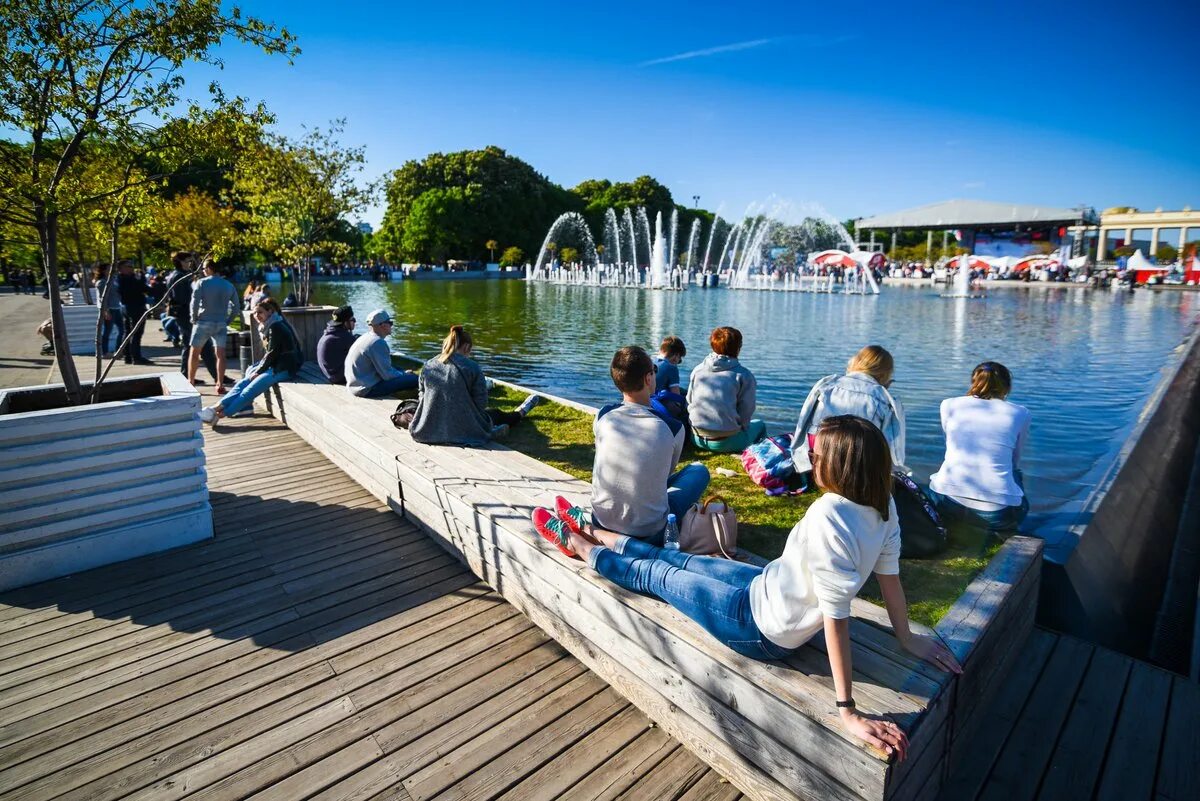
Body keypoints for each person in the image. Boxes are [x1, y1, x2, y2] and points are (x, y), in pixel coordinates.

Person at [532, 415, 961, 758]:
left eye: (815, 451)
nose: (809, 457)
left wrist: (847, 711)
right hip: (765, 586)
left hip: (759, 627)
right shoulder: (882, 502)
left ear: (839, 466)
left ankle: (575, 542)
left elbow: (837, 617)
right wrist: (906, 637)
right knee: (679, 559)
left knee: (657, 577)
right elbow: (891, 578)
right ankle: (596, 531)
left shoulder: (832, 516)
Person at [586, 346, 709, 545]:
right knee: (699, 471)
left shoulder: (602, 416)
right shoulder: (674, 428)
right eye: (654, 370)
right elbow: (665, 473)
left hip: (601, 521)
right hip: (649, 530)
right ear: (648, 378)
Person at [926, 362, 1030, 537]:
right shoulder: (1020, 413)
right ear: (1007, 387)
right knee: (1015, 473)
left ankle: (955, 521)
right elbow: (1015, 459)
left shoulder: (948, 404)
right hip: (997, 513)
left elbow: (950, 444)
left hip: (947, 501)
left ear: (973, 381)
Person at [409, 325, 541, 445]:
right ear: (466, 347)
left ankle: (520, 411)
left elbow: (422, 395)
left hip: (429, 428)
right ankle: (522, 411)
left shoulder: (428, 365)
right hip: (463, 428)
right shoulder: (472, 367)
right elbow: (480, 404)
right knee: (496, 414)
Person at [792, 345, 906, 474]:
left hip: (819, 458)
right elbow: (894, 451)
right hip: (855, 467)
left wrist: (799, 460)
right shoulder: (887, 400)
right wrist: (897, 474)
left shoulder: (826, 383)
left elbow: (803, 423)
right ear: (885, 374)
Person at [199, 298, 302, 426]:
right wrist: (257, 370)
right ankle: (215, 408)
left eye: (260, 312)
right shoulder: (270, 324)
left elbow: (272, 353)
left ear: (270, 311)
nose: (256, 316)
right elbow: (271, 354)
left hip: (284, 367)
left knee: (251, 388)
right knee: (244, 381)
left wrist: (259, 371)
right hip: (276, 364)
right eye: (254, 313)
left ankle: (221, 414)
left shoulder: (276, 327)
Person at [687, 326, 766, 452]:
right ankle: (757, 456)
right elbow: (747, 410)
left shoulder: (698, 370)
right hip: (726, 442)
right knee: (760, 425)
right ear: (738, 348)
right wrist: (742, 427)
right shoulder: (743, 375)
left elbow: (689, 401)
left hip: (697, 438)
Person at [166, 251, 219, 383]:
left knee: (189, 346)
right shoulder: (179, 277)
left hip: (185, 315)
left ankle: (186, 376)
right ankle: (218, 376)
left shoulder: (182, 275)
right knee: (204, 344)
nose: (191, 264)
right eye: (189, 261)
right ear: (181, 262)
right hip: (186, 316)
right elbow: (182, 298)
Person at [188, 258, 238, 391]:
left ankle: (191, 381)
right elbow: (236, 307)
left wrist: (193, 318)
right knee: (220, 355)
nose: (203, 271)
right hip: (220, 323)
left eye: (204, 268)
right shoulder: (228, 285)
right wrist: (228, 320)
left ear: (210, 268)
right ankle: (220, 383)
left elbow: (194, 303)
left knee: (194, 353)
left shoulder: (201, 283)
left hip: (203, 321)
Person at [344, 309, 419, 398]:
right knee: (416, 379)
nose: (391, 325)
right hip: (366, 389)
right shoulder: (377, 342)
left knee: (398, 369)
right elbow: (387, 375)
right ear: (383, 325)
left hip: (356, 385)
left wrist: (402, 372)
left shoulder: (366, 337)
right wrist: (404, 374)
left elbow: (385, 368)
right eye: (390, 323)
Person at [116, 260, 153, 364]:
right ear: (121, 268)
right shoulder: (127, 279)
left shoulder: (121, 278)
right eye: (128, 266)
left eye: (132, 266)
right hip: (134, 306)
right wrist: (140, 279)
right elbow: (141, 289)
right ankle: (135, 357)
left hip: (127, 306)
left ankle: (128, 356)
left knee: (128, 332)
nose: (132, 268)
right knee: (136, 333)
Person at [316, 305, 357, 384]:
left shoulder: (330, 333)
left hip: (329, 375)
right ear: (346, 322)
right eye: (353, 320)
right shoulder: (344, 337)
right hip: (339, 378)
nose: (355, 322)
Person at [94, 264, 124, 356]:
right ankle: (104, 352)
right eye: (109, 269)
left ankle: (118, 351)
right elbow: (101, 298)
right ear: (103, 271)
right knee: (107, 331)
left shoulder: (113, 280)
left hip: (117, 308)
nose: (112, 270)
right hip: (109, 309)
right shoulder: (102, 282)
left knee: (122, 330)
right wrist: (105, 311)